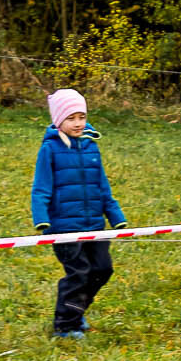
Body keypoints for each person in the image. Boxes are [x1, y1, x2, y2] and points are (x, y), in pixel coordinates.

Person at [30, 89, 126, 339]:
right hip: (64, 227)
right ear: (58, 121)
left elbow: (102, 185)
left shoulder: (91, 147)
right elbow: (41, 187)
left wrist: (115, 215)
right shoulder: (50, 149)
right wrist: (41, 218)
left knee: (102, 269)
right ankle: (65, 325)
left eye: (81, 117)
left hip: (95, 224)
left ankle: (76, 310)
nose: (78, 123)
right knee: (79, 273)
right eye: (71, 118)